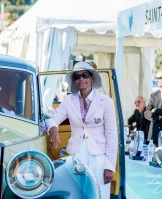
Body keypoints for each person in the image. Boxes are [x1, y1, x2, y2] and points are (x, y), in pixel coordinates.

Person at [45, 62, 118, 199]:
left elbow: (112, 135)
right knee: (77, 194)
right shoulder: (69, 100)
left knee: (100, 195)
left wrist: (109, 166)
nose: (81, 79)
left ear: (91, 77)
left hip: (99, 156)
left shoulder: (105, 101)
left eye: (84, 75)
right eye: (77, 77)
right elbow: (52, 119)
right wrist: (53, 128)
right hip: (76, 155)